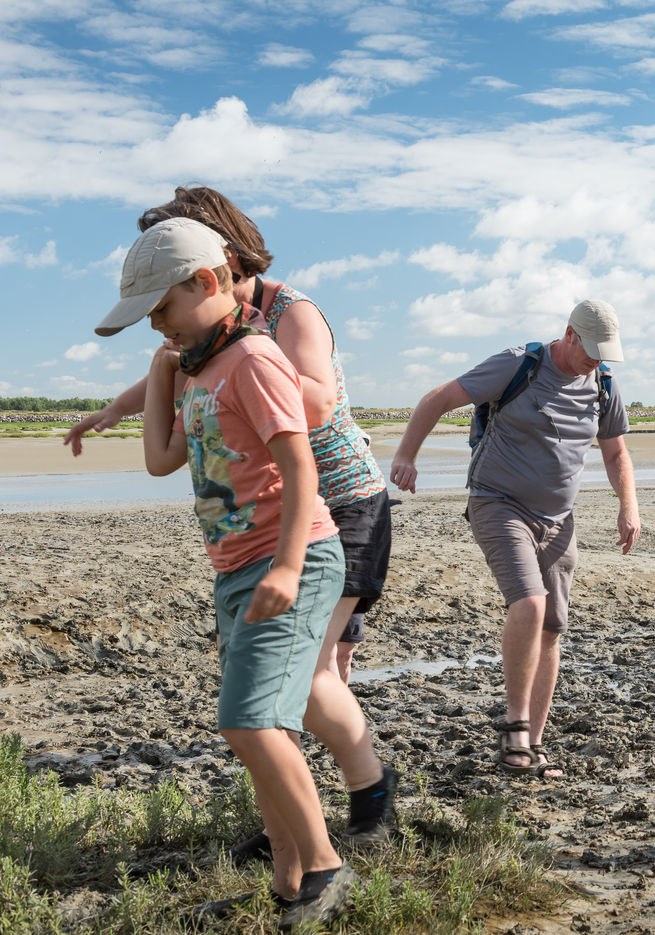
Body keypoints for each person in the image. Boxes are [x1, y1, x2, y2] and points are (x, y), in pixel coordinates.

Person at [65, 187, 396, 856]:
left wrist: (245, 365)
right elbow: (178, 375)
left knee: (306, 678)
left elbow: (319, 401)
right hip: (261, 518)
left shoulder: (283, 315)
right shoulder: (210, 343)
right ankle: (293, 832)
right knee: (283, 681)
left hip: (339, 502)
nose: (167, 326)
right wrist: (122, 405)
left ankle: (370, 797)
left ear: (223, 264)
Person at [95, 217, 357, 927]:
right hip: (236, 570)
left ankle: (327, 865)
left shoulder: (254, 359)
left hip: (291, 560)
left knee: (248, 722)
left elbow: (300, 464)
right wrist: (160, 372)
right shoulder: (201, 369)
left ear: (207, 282)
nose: (159, 330)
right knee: (259, 725)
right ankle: (285, 879)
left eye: (162, 312)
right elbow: (159, 457)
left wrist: (288, 565)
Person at [389, 300, 640, 779]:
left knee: (551, 629)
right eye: (590, 350)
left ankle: (532, 748)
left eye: (604, 354)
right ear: (569, 334)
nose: (596, 361)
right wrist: (406, 455)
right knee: (529, 604)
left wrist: (628, 506)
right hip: (498, 502)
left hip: (559, 520)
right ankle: (515, 731)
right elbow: (437, 399)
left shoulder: (604, 384)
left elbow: (616, 454)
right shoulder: (517, 364)